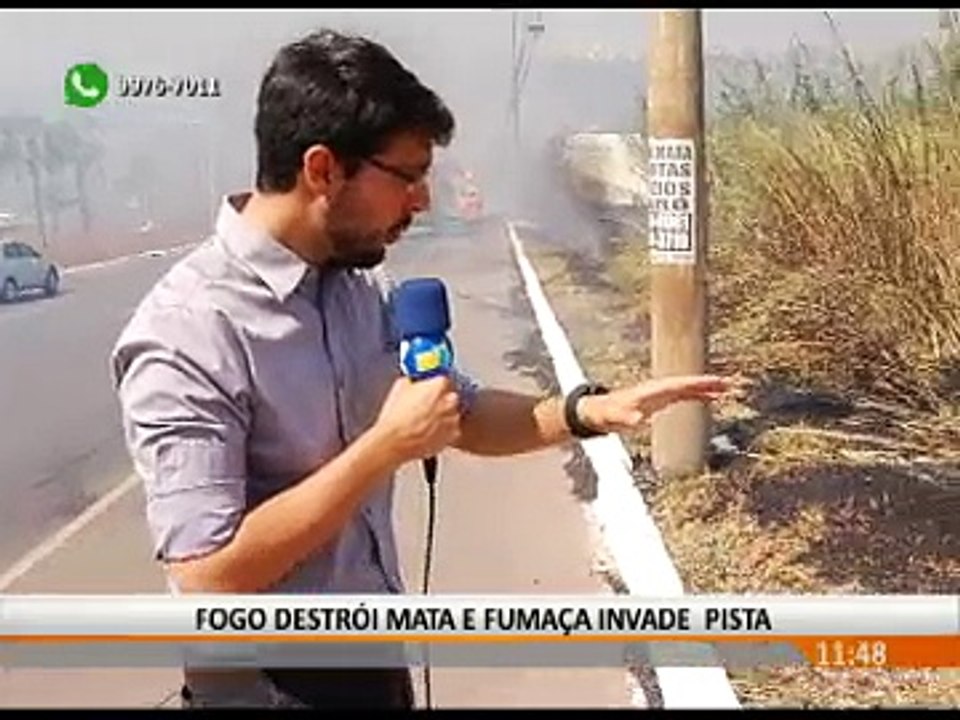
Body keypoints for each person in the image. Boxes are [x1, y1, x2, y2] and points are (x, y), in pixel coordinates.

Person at [110, 28, 732, 709]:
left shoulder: (354, 288)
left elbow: (456, 413)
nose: (422, 202)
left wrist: (586, 412)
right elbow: (205, 578)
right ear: (323, 170)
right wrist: (384, 449)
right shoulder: (187, 334)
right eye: (407, 177)